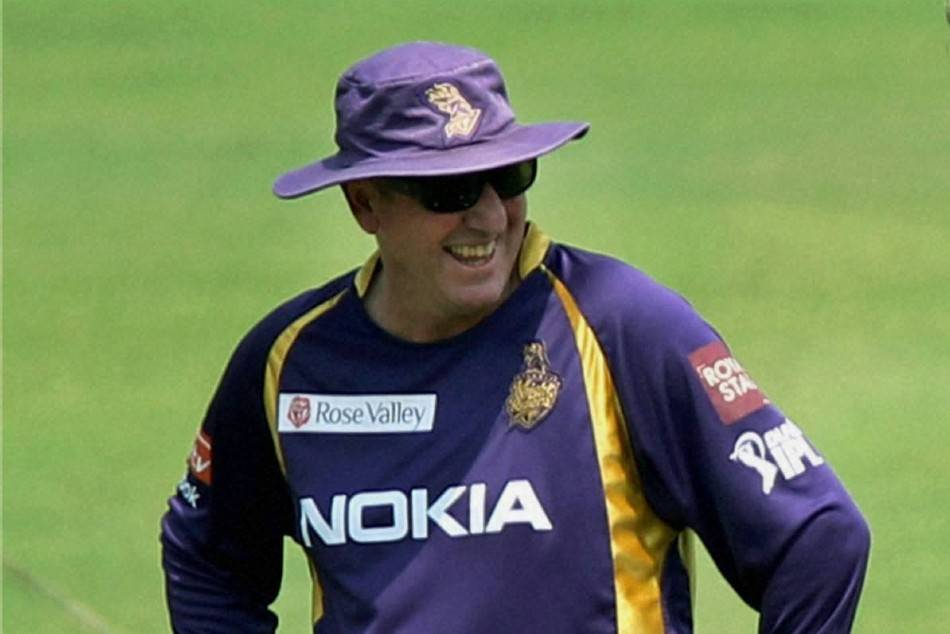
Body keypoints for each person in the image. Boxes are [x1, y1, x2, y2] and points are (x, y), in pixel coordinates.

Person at [160, 41, 870, 633]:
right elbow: (206, 557)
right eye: (448, 192)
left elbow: (819, 536)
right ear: (365, 202)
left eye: (507, 177)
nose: (490, 217)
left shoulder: (620, 325)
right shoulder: (289, 363)